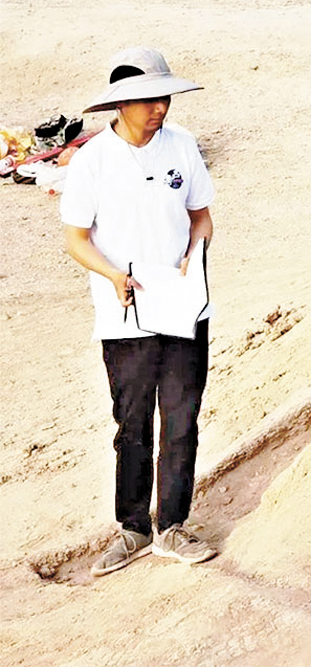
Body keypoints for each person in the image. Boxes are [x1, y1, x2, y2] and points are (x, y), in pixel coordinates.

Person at [60, 47, 217, 576]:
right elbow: (76, 239)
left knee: (182, 417)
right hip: (123, 309)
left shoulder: (184, 146)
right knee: (132, 422)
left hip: (183, 304)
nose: (160, 108)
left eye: (164, 97)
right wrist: (113, 276)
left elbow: (201, 217)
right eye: (148, 99)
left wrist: (193, 262)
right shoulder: (92, 161)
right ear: (120, 105)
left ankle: (173, 525)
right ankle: (132, 527)